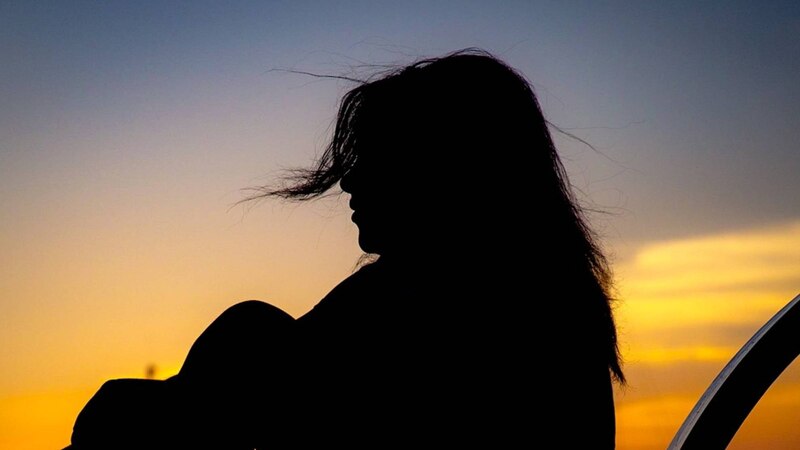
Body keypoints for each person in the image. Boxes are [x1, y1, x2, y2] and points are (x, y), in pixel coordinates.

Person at [67, 48, 625, 449]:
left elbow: (281, 380)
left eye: (374, 160)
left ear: (445, 167)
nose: (349, 183)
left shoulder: (434, 303)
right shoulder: (529, 296)